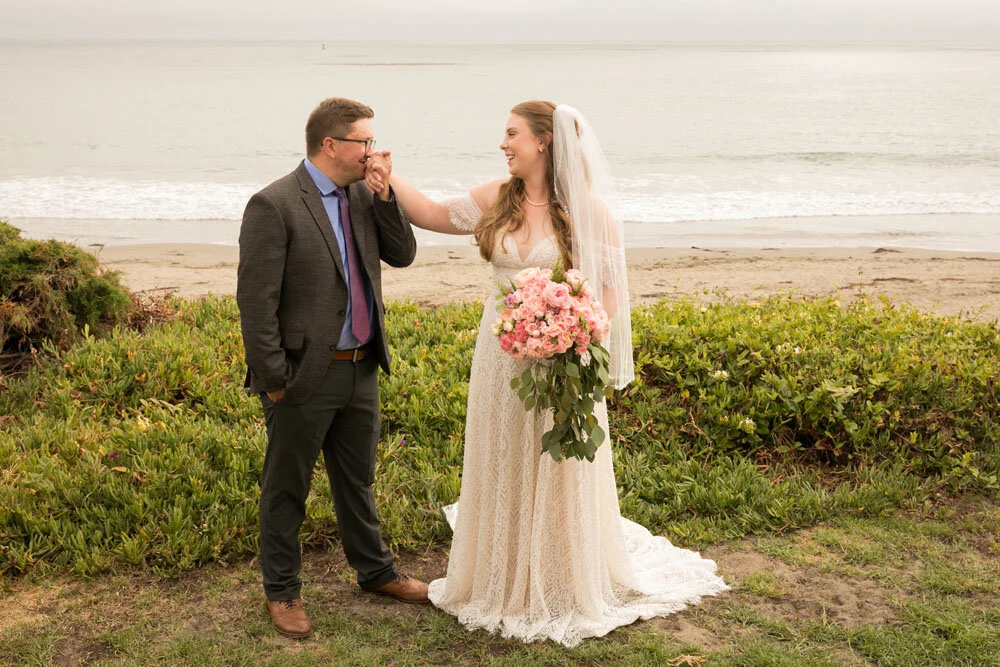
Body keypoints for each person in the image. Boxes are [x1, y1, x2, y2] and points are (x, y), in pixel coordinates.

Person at [365, 101, 728, 647]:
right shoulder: (498, 197)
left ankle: (559, 573)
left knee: (555, 462)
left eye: (512, 134)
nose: (504, 143)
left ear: (544, 142)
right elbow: (435, 214)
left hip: (561, 362)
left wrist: (570, 331)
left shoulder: (591, 213)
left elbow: (607, 300)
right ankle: (503, 572)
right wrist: (390, 180)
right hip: (499, 357)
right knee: (504, 454)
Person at [237, 97, 427, 640]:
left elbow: (403, 254)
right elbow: (256, 301)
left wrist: (386, 195)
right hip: (302, 377)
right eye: (365, 142)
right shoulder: (274, 204)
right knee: (286, 487)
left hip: (362, 365)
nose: (374, 150)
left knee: (357, 481)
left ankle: (376, 573)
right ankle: (282, 591)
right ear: (332, 145)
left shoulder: (364, 196)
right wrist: (274, 381)